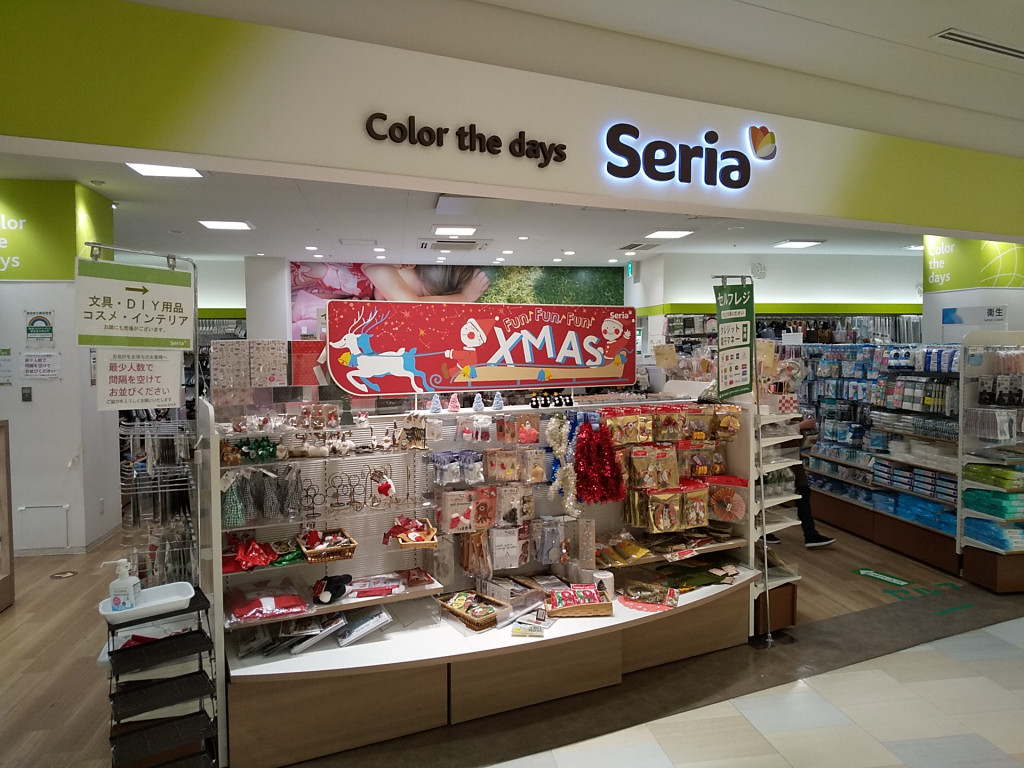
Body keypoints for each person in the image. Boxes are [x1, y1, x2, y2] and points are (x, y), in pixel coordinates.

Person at [290, 262, 490, 339]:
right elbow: (411, 306)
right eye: (419, 293)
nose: (398, 298)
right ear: (408, 265)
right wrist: (464, 298)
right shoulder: (381, 266)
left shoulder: (368, 289)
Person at [766, 416, 835, 549]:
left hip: (793, 458)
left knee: (803, 493)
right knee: (769, 494)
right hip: (774, 459)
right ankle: (763, 530)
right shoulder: (772, 409)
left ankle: (810, 534)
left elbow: (798, 439)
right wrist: (800, 426)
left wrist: (807, 435)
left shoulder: (792, 412)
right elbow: (771, 433)